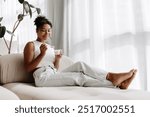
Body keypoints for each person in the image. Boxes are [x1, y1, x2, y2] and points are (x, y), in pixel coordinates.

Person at [24, 15, 137, 89]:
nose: (46, 33)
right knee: (78, 77)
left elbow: (55, 69)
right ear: (37, 31)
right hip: (41, 78)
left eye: (49, 31)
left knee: (80, 65)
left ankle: (110, 76)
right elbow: (28, 68)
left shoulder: (50, 47)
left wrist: (57, 60)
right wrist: (42, 54)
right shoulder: (31, 45)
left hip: (52, 73)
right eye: (43, 30)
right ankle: (114, 84)